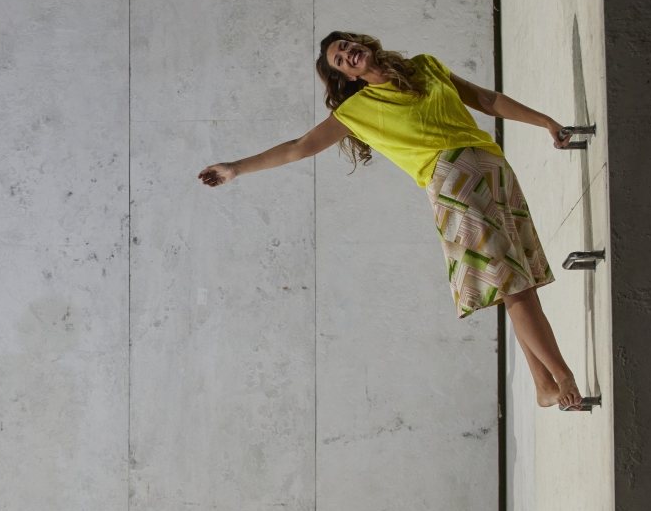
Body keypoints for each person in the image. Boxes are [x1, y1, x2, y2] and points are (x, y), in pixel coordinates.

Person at [198, 31, 582, 410]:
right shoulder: (356, 110)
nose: (348, 53)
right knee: (511, 284)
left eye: (348, 45)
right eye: (339, 57)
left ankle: (543, 383)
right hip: (455, 182)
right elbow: (298, 147)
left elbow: (486, 99)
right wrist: (235, 168)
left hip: (492, 166)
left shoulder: (425, 67)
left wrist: (545, 121)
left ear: (363, 44)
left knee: (521, 281)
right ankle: (562, 376)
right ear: (345, 77)